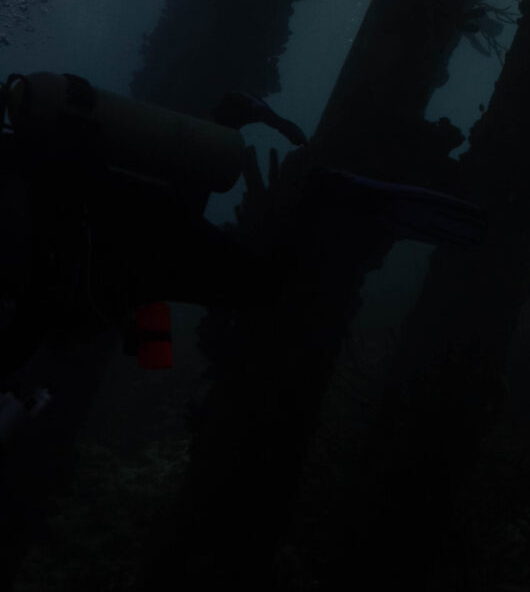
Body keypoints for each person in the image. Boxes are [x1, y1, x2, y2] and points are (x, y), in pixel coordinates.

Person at [0, 71, 489, 433]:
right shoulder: (17, 164)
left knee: (261, 288)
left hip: (129, 253)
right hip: (130, 208)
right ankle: (229, 116)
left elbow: (39, 311)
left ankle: (324, 194)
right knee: (183, 201)